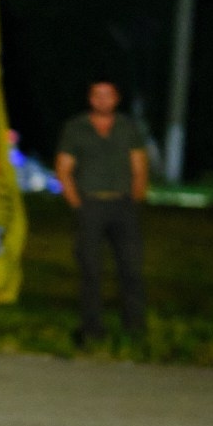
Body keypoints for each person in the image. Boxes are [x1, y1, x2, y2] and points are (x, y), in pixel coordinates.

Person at [54, 79, 150, 344]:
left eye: (108, 95)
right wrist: (77, 203)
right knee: (90, 269)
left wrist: (135, 199)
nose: (102, 100)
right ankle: (92, 327)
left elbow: (139, 165)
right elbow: (63, 168)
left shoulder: (127, 128)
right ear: (90, 99)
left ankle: (134, 327)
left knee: (131, 268)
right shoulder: (76, 128)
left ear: (116, 99)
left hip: (123, 205)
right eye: (97, 95)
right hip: (91, 204)